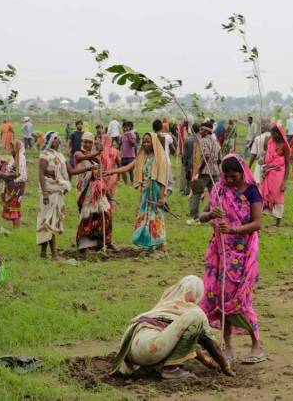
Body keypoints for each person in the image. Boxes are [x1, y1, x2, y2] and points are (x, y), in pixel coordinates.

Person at [199, 154, 265, 364]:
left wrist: (233, 229)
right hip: (220, 254)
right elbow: (202, 216)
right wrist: (211, 215)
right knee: (221, 298)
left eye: (233, 176)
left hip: (243, 254)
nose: (229, 180)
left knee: (241, 299)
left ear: (242, 172)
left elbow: (257, 224)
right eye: (225, 176)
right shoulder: (219, 190)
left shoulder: (252, 191)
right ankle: (227, 346)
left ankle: (256, 345)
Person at [111, 276, 235, 380]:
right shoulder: (192, 310)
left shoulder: (164, 305)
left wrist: (208, 362)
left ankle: (146, 369)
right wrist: (225, 366)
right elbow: (211, 344)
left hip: (130, 350)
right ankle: (171, 370)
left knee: (179, 331)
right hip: (150, 348)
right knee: (196, 317)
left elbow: (185, 340)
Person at [105, 132, 168, 254]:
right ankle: (148, 244)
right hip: (145, 191)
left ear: (154, 142)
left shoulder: (160, 157)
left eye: (148, 141)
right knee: (145, 216)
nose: (145, 144)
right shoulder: (142, 157)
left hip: (155, 191)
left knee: (155, 216)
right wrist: (111, 171)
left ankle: (158, 243)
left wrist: (161, 196)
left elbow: (163, 178)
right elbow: (128, 167)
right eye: (144, 141)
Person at [74, 132, 113, 252]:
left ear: (92, 144)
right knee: (87, 216)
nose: (87, 144)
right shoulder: (78, 153)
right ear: (82, 142)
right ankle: (84, 245)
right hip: (85, 192)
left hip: (96, 191)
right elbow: (82, 158)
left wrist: (108, 193)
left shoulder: (96, 158)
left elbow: (100, 176)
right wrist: (97, 152)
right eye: (85, 142)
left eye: (90, 142)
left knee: (104, 214)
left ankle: (101, 243)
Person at [188, 122, 221, 223]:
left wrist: (199, 171)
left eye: (202, 130)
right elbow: (220, 159)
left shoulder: (203, 140)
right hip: (215, 171)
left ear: (207, 131)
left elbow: (205, 156)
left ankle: (195, 217)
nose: (200, 131)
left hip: (205, 171)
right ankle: (218, 215)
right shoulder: (216, 142)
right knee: (216, 195)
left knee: (196, 193)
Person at [260, 123, 290, 227]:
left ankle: (277, 222)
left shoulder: (284, 145)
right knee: (263, 194)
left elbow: (287, 164)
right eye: (272, 133)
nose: (273, 136)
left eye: (275, 133)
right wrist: (262, 159)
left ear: (280, 134)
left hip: (279, 174)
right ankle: (258, 217)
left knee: (278, 196)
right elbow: (265, 154)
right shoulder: (269, 142)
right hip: (268, 173)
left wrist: (285, 181)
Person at [0, 140, 27, 228]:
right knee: (11, 206)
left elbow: (17, 174)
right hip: (11, 185)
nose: (11, 149)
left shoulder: (20, 158)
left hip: (17, 186)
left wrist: (3, 174)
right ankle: (15, 228)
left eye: (13, 147)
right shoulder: (13, 158)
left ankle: (16, 228)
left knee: (15, 206)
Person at [152, 119, 175, 195]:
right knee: (169, 185)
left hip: (154, 164)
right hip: (166, 163)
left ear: (153, 128)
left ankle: (159, 199)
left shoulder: (151, 137)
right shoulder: (167, 136)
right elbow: (173, 150)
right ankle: (163, 199)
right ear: (162, 127)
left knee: (157, 184)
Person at [181, 123, 200, 198]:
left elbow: (185, 154)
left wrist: (184, 163)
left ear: (192, 130)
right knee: (197, 176)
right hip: (198, 162)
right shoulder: (201, 139)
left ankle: (188, 190)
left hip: (189, 162)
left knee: (189, 176)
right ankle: (196, 191)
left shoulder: (187, 140)